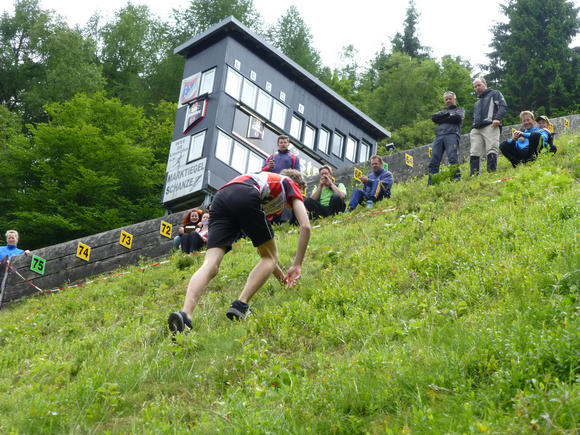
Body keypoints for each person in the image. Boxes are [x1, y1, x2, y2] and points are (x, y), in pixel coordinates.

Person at [168, 169, 311, 334]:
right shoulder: (288, 183)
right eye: (302, 195)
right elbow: (305, 226)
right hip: (244, 194)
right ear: (299, 188)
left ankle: (185, 317)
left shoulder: (268, 196)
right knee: (271, 257)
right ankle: (241, 305)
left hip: (221, 198)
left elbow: (263, 252)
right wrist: (297, 265)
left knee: (211, 265)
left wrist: (282, 280)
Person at [469, 77, 508, 175]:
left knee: (491, 148)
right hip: (476, 128)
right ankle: (474, 175)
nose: (477, 88)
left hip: (491, 125)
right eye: (475, 87)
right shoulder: (476, 103)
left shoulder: (495, 93)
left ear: (485, 84)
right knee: (474, 151)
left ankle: (491, 173)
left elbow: (503, 106)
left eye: (479, 85)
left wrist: (497, 118)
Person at [427, 91, 465, 184]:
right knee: (433, 160)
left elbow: (457, 118)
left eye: (450, 99)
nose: (448, 101)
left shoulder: (460, 110)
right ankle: (432, 183)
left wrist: (443, 117)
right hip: (439, 136)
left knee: (452, 157)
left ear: (454, 99)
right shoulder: (442, 111)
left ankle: (456, 179)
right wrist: (448, 115)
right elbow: (434, 118)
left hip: (452, 134)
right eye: (446, 99)